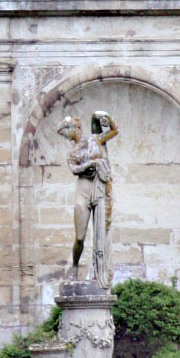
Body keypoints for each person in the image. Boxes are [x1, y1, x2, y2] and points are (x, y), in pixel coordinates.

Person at [57, 110, 118, 289]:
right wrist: (90, 164)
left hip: (98, 188)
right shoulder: (72, 153)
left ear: (73, 128)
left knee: (100, 231)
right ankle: (75, 266)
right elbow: (75, 170)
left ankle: (98, 269)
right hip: (83, 191)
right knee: (80, 237)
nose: (65, 137)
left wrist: (106, 117)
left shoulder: (95, 139)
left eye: (65, 132)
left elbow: (114, 131)